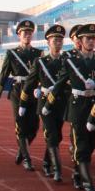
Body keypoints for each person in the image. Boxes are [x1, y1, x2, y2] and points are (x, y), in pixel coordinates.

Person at [48, 23, 95, 191]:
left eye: (93, 38)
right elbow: (60, 84)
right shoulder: (71, 61)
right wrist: (48, 105)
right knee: (81, 145)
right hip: (78, 106)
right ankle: (88, 184)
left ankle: (77, 171)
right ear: (80, 41)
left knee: (91, 144)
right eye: (88, 38)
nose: (91, 41)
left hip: (94, 106)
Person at [0, 20, 42, 171]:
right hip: (18, 90)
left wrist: (40, 87)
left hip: (33, 92)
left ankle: (21, 151)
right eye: (25, 33)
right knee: (21, 125)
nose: (27, 35)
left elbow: (42, 75)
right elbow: (4, 74)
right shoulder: (12, 54)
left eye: (30, 33)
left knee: (34, 126)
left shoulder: (38, 54)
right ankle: (27, 159)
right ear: (19, 35)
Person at [25, 24, 67, 182]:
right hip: (45, 103)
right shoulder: (40, 62)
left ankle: (46, 162)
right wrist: (24, 101)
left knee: (58, 135)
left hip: (61, 102)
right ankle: (56, 169)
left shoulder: (67, 62)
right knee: (51, 133)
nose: (58, 43)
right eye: (55, 40)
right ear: (48, 42)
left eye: (60, 40)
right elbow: (30, 82)